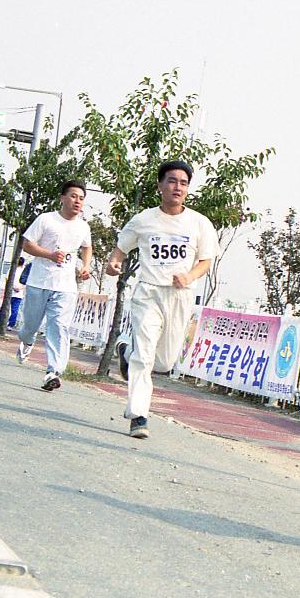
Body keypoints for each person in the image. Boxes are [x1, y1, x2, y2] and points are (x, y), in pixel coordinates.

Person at [106, 160, 217, 439]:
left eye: (183, 182)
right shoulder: (143, 220)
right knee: (144, 357)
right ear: (160, 185)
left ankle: (125, 352)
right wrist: (114, 263)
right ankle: (138, 416)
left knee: (164, 363)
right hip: (149, 293)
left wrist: (190, 276)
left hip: (179, 296)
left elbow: (205, 261)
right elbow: (121, 249)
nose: (177, 187)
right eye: (171, 181)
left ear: (188, 188)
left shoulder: (199, 223)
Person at [16, 181, 93, 391]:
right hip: (39, 282)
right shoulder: (46, 219)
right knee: (30, 326)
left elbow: (87, 247)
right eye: (74, 196)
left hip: (66, 286)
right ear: (62, 198)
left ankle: (53, 371)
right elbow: (27, 244)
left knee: (59, 327)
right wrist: (49, 254)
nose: (78, 201)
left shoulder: (83, 226)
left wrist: (85, 266)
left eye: (81, 198)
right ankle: (27, 340)